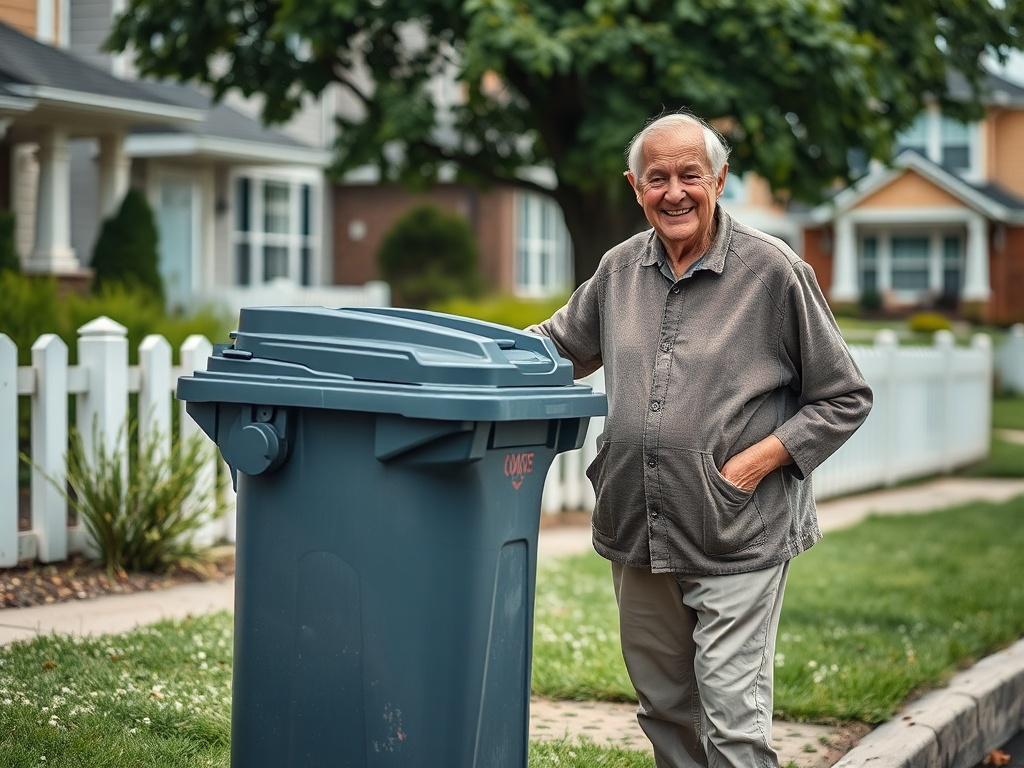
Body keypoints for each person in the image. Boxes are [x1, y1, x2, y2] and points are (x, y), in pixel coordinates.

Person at [528, 112, 873, 767]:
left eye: (691, 174)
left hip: (737, 531)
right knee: (664, 713)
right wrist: (469, 354)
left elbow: (844, 395)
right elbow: (555, 347)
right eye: (657, 178)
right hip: (638, 529)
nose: (675, 192)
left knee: (733, 728)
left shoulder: (774, 272)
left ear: (719, 178)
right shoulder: (619, 269)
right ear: (636, 187)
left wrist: (752, 466)